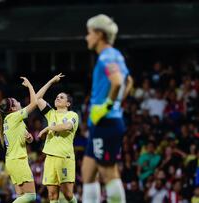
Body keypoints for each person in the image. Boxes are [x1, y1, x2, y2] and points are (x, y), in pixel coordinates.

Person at [82, 14, 133, 203]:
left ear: (99, 34)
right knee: (88, 172)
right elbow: (129, 81)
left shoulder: (106, 56)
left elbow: (118, 82)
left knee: (108, 172)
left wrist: (108, 106)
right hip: (103, 122)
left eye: (89, 33)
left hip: (106, 122)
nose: (87, 37)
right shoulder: (117, 55)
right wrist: (117, 104)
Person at [36, 73, 79, 203]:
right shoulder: (51, 114)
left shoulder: (73, 114)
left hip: (64, 157)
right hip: (50, 157)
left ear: (68, 103)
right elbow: (37, 98)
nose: (57, 98)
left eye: (61, 97)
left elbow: (67, 126)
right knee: (52, 195)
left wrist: (48, 128)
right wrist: (51, 81)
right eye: (57, 96)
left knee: (67, 194)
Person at [0, 77, 37, 203]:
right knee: (31, 196)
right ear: (13, 108)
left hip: (12, 160)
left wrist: (29, 138)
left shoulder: (12, 121)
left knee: (21, 197)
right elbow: (34, 103)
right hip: (18, 161)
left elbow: (29, 140)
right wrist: (30, 85)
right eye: (16, 101)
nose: (19, 102)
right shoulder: (13, 117)